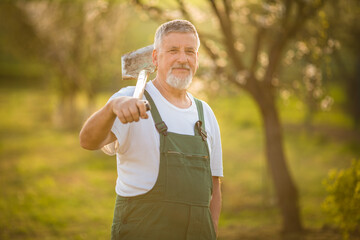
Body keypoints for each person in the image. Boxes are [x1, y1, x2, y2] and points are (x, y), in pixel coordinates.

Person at [79, 19, 223, 240]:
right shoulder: (129, 99)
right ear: (155, 58)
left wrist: (210, 232)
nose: (183, 59)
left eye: (190, 51)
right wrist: (111, 108)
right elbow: (87, 141)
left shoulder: (205, 114)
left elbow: (214, 188)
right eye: (173, 50)